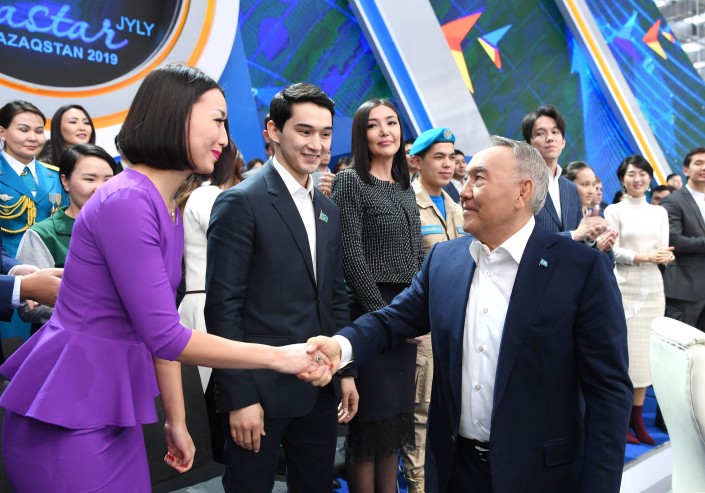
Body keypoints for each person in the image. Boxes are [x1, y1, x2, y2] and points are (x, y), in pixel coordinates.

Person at [0, 63, 329, 493]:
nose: (225, 139)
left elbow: (159, 329)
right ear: (176, 116)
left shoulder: (165, 205)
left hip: (106, 410)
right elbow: (167, 336)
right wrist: (280, 357)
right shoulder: (128, 200)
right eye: (217, 121)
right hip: (70, 409)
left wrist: (176, 420)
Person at [307, 136, 632, 493]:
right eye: (467, 179)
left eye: (479, 179)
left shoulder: (580, 270)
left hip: (543, 475)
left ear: (522, 192)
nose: (463, 191)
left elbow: (608, 392)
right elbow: (391, 320)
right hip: (456, 471)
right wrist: (341, 346)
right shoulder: (445, 260)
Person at [205, 82, 352, 493]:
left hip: (319, 387)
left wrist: (345, 370)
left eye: (325, 134)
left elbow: (335, 295)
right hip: (259, 393)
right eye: (304, 131)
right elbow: (223, 307)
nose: (316, 144)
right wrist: (239, 397)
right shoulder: (241, 201)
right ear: (273, 130)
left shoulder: (327, 209)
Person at [332, 99, 425, 493]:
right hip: (371, 315)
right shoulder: (350, 182)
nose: (385, 131)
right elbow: (350, 257)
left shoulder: (405, 186)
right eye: (374, 125)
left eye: (392, 122)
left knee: (393, 427)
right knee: (368, 430)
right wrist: (390, 320)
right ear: (361, 134)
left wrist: (418, 310)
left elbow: (418, 255)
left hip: (405, 311)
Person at [403, 127, 466, 493]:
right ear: (417, 161)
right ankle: (418, 484)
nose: (447, 164)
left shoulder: (457, 204)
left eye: (451, 157)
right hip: (424, 326)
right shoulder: (407, 204)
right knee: (421, 411)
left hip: (454, 324)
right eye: (438, 157)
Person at [604, 155, 674, 445]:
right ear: (623, 179)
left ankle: (637, 421)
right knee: (626, 357)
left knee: (646, 359)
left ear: (649, 178)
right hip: (625, 286)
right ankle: (621, 422)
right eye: (632, 174)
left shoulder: (659, 212)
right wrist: (645, 257)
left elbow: (664, 249)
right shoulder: (613, 210)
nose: (638, 179)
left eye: (643, 174)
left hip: (654, 288)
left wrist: (665, 256)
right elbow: (612, 250)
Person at [15, 143, 121, 330]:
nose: (100, 188)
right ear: (65, 182)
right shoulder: (43, 234)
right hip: (64, 340)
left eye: (108, 180)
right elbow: (30, 307)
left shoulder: (126, 228)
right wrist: (102, 310)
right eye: (90, 179)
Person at [521, 105, 606, 243]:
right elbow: (521, 237)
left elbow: (579, 235)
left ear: (563, 142)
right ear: (528, 144)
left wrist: (589, 239)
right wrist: (572, 235)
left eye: (555, 132)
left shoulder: (571, 188)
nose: (550, 138)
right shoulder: (521, 185)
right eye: (540, 133)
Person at [0, 100, 68, 255]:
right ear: (2, 133)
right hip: (8, 266)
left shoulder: (57, 176)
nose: (33, 138)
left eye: (39, 131)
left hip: (51, 265)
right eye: (23, 130)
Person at [661, 147, 705, 331]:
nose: (704, 167)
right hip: (685, 291)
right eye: (699, 163)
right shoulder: (673, 201)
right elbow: (674, 241)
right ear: (686, 170)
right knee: (684, 346)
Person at [564, 161, 617, 253]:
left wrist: (607, 249)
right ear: (566, 184)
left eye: (593, 185)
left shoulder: (598, 217)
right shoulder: (562, 215)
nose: (591, 191)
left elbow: (609, 260)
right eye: (585, 184)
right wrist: (595, 247)